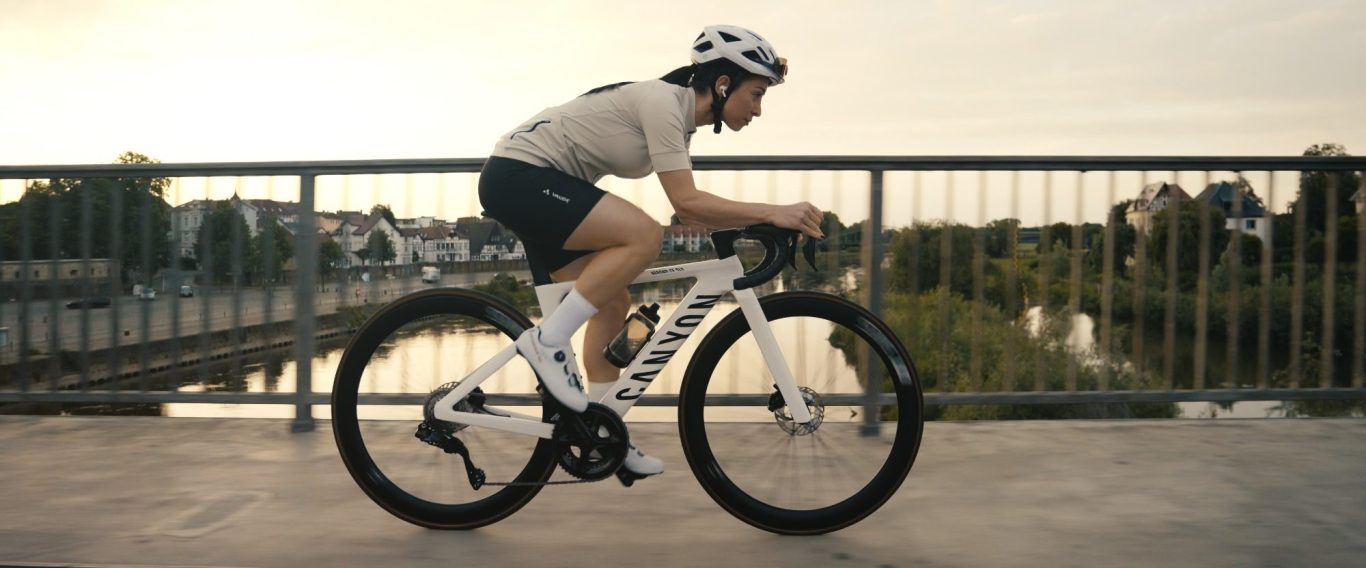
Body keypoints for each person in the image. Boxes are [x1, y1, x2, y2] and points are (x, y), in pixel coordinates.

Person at [478, 25, 824, 480]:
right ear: (723, 85)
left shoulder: (679, 120)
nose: (758, 109)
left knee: (613, 300)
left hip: (540, 185)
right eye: (756, 94)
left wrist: (759, 220)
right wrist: (775, 212)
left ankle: (601, 432)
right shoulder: (663, 102)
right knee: (643, 235)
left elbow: (695, 206)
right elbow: (687, 204)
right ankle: (546, 343)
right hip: (518, 176)